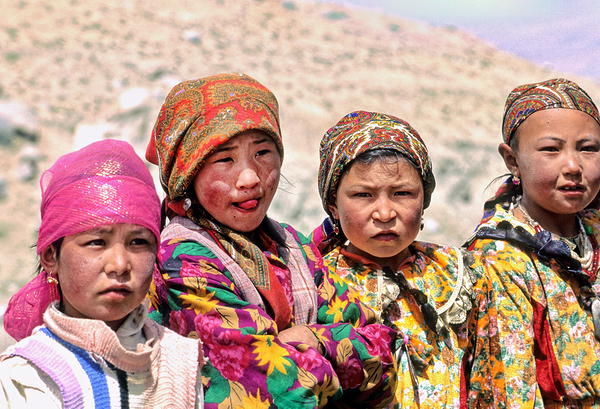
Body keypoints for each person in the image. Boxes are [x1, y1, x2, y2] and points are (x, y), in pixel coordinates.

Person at [145, 73, 397, 408]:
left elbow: (383, 353)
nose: (250, 178)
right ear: (187, 172)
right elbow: (276, 386)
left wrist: (314, 342)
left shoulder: (293, 247)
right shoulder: (182, 259)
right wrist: (337, 349)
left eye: (263, 152)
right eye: (224, 159)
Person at [312, 111, 501, 408]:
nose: (385, 214)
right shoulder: (317, 283)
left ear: (424, 199)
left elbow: (493, 375)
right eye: (363, 195)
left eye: (402, 193)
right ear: (333, 204)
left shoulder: (463, 274)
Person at [0, 139, 205, 408]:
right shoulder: (27, 376)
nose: (119, 264)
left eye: (138, 242)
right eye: (97, 242)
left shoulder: (180, 360)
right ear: (51, 256)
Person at [465, 78, 600, 408]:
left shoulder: (593, 233)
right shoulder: (498, 260)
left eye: (588, 148)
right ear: (512, 161)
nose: (573, 166)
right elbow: (510, 390)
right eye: (551, 150)